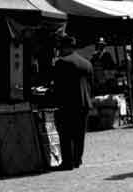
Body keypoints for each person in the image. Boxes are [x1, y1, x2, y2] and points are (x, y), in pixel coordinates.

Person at [52, 35, 93, 170]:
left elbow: (58, 86)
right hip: (84, 104)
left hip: (68, 104)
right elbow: (91, 85)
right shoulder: (87, 63)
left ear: (64, 48)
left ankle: (68, 162)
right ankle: (77, 160)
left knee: (65, 134)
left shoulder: (61, 63)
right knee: (79, 134)